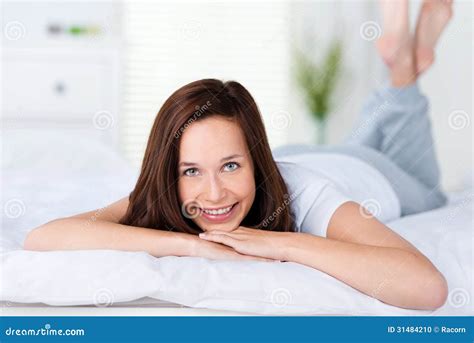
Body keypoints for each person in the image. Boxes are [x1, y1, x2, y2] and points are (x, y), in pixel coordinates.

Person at [24, 0, 453, 310]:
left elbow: (426, 287)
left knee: (428, 186)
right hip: (320, 154)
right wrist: (189, 247)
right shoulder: (169, 191)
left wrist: (281, 244)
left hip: (373, 174)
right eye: (192, 170)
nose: (212, 194)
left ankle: (402, 72)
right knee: (363, 135)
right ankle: (402, 70)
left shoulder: (303, 191)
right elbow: (43, 238)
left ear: (255, 160)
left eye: (231, 166)